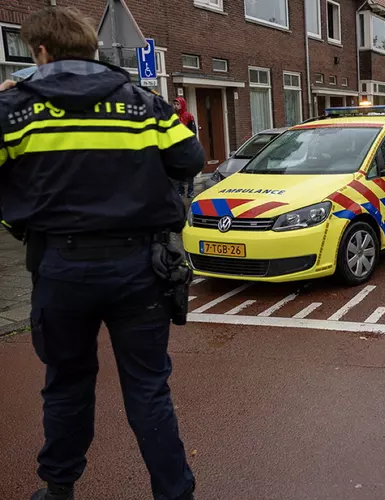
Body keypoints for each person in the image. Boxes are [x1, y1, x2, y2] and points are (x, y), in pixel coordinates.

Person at [0, 7, 204, 500]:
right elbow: (191, 159)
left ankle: (59, 488)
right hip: (141, 267)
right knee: (149, 388)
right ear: (93, 50)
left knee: (67, 382)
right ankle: (175, 494)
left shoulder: (15, 110)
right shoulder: (143, 103)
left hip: (61, 268)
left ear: (42, 52)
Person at [172, 97, 198, 198]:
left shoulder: (188, 116)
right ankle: (181, 190)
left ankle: (190, 191)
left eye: (177, 104)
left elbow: (193, 132)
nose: (176, 106)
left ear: (182, 105)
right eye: (174, 104)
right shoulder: (174, 116)